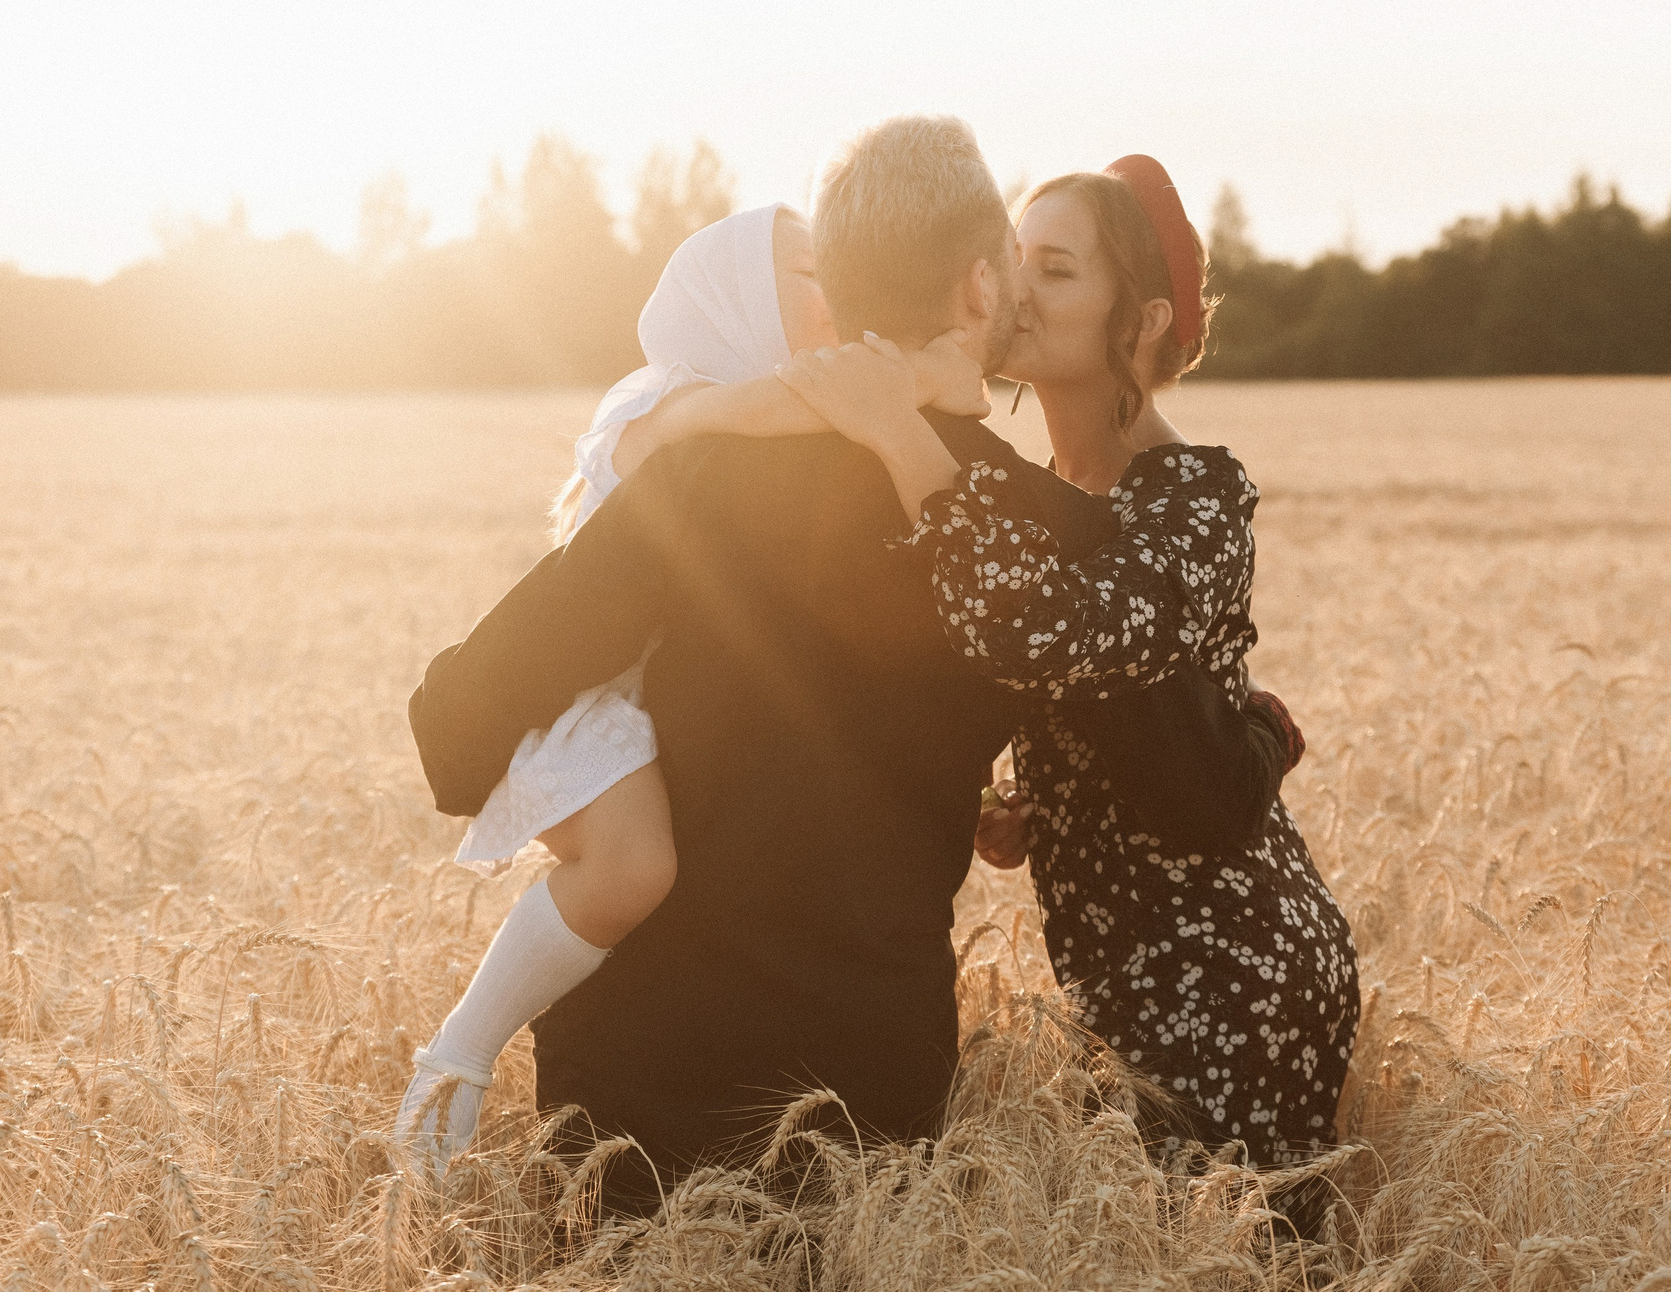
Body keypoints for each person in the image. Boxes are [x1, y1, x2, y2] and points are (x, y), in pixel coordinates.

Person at [405, 117, 1277, 1209]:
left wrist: (596, 796)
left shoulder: (699, 478)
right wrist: (1258, 728)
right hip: (865, 1109)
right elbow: (1190, 795)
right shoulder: (1050, 539)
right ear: (979, 288)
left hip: (626, 1099)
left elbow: (453, 720)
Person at [777, 157, 1360, 1164]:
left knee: (1223, 1244)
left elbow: (1055, 631)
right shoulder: (1040, 492)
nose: (1018, 288)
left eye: (1057, 270)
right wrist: (1038, 797)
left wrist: (901, 435)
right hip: (1112, 962)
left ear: (1141, 322)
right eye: (1014, 260)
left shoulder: (1194, 498)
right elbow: (1100, 698)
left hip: (1232, 965)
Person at [395, 202, 982, 1163]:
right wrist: (920, 377)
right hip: (588, 705)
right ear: (732, 295)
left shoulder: (793, 440)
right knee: (634, 868)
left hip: (636, 703)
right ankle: (458, 1053)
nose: (835, 291)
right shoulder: (670, 400)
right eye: (808, 273)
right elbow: (772, 408)